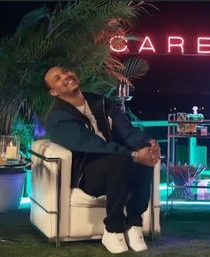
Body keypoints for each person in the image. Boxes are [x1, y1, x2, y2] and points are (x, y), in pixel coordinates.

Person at [43, 66, 161, 254]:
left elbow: (126, 130)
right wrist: (132, 155)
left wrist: (145, 145)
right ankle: (112, 229)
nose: (65, 76)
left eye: (65, 71)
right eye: (57, 78)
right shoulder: (58, 118)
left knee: (144, 156)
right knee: (122, 159)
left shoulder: (101, 102)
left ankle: (133, 223)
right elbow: (91, 144)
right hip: (87, 176)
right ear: (54, 92)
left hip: (119, 165)